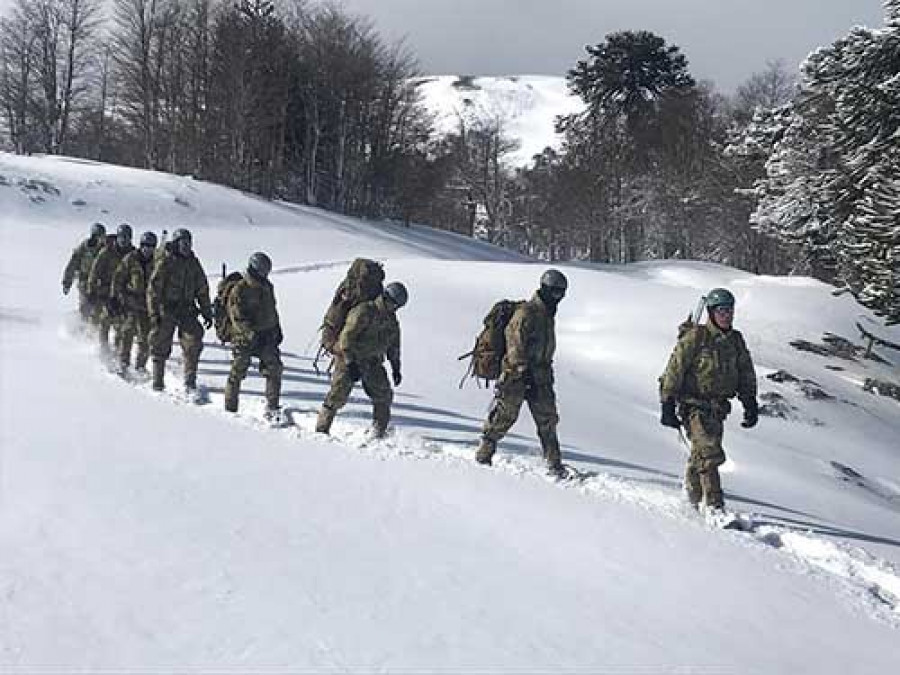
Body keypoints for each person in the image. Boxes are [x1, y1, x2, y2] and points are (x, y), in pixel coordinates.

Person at [658, 287, 759, 513]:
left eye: (730, 311)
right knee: (710, 453)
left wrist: (749, 401)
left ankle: (691, 499)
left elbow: (745, 371)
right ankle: (715, 506)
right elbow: (675, 368)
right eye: (722, 311)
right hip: (693, 405)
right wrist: (667, 403)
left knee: (700, 456)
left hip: (718, 409)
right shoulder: (697, 337)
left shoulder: (735, 340)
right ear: (712, 312)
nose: (727, 315)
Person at [475, 269, 568, 475]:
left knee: (548, 419)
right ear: (545, 289)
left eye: (562, 293)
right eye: (555, 293)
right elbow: (514, 344)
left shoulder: (547, 314)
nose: (558, 298)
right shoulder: (526, 314)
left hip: (541, 376)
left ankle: (554, 463)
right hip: (516, 376)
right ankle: (484, 455)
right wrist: (521, 371)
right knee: (504, 417)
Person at [316, 281, 407, 438]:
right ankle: (321, 430)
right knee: (337, 395)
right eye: (393, 304)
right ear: (386, 297)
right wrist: (350, 363)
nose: (394, 308)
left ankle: (379, 431)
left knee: (383, 395)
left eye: (397, 306)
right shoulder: (364, 311)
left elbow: (394, 345)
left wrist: (396, 368)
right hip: (348, 359)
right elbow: (346, 339)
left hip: (372, 361)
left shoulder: (391, 321)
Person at [147, 228, 213, 393]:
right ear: (176, 244)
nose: (186, 246)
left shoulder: (193, 263)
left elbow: (202, 289)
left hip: (187, 310)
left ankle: (190, 381)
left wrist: (206, 311)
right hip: (167, 309)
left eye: (188, 243)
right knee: (160, 344)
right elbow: (153, 290)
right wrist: (154, 314)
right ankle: (157, 381)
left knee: (194, 342)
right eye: (183, 243)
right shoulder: (166, 262)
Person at [223, 252, 284, 419]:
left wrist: (276, 329)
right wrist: (250, 333)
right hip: (244, 338)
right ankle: (230, 407)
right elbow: (237, 317)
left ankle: (272, 407)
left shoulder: (267, 287)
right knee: (238, 370)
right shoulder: (240, 289)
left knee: (274, 368)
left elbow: (271, 310)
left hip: (265, 337)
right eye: (262, 270)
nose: (265, 274)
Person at [111, 231, 157, 378]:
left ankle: (140, 366)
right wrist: (114, 296)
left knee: (145, 337)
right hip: (130, 302)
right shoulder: (131, 259)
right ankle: (123, 363)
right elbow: (118, 277)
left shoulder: (158, 261)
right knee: (127, 332)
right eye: (145, 246)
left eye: (151, 246)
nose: (147, 249)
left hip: (148, 305)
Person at [87, 223, 134, 361]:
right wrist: (91, 290)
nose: (124, 240)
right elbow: (95, 271)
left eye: (127, 237)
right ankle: (103, 346)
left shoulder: (132, 254)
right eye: (121, 237)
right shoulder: (107, 252)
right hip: (105, 291)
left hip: (123, 293)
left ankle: (118, 348)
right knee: (105, 320)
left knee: (121, 323)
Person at [61, 222, 106, 325]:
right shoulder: (84, 248)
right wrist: (67, 282)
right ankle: (81, 327)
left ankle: (94, 329)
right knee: (86, 305)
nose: (100, 239)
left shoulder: (105, 249)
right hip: (84, 281)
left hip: (99, 283)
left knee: (99, 307)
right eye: (98, 236)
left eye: (102, 236)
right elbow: (72, 265)